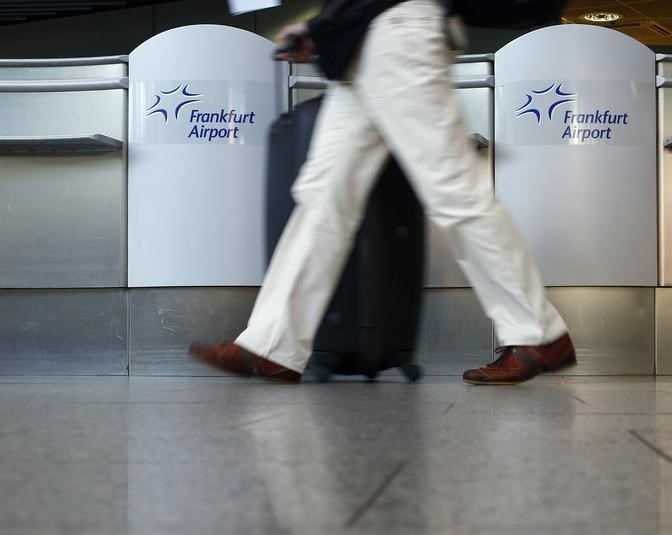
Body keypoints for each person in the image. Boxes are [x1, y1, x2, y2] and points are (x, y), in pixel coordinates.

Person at [189, 0, 576, 385]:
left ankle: (537, 334)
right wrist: (322, 27)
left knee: (454, 191)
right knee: (322, 198)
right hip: (363, 44)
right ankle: (273, 345)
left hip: (400, 35)